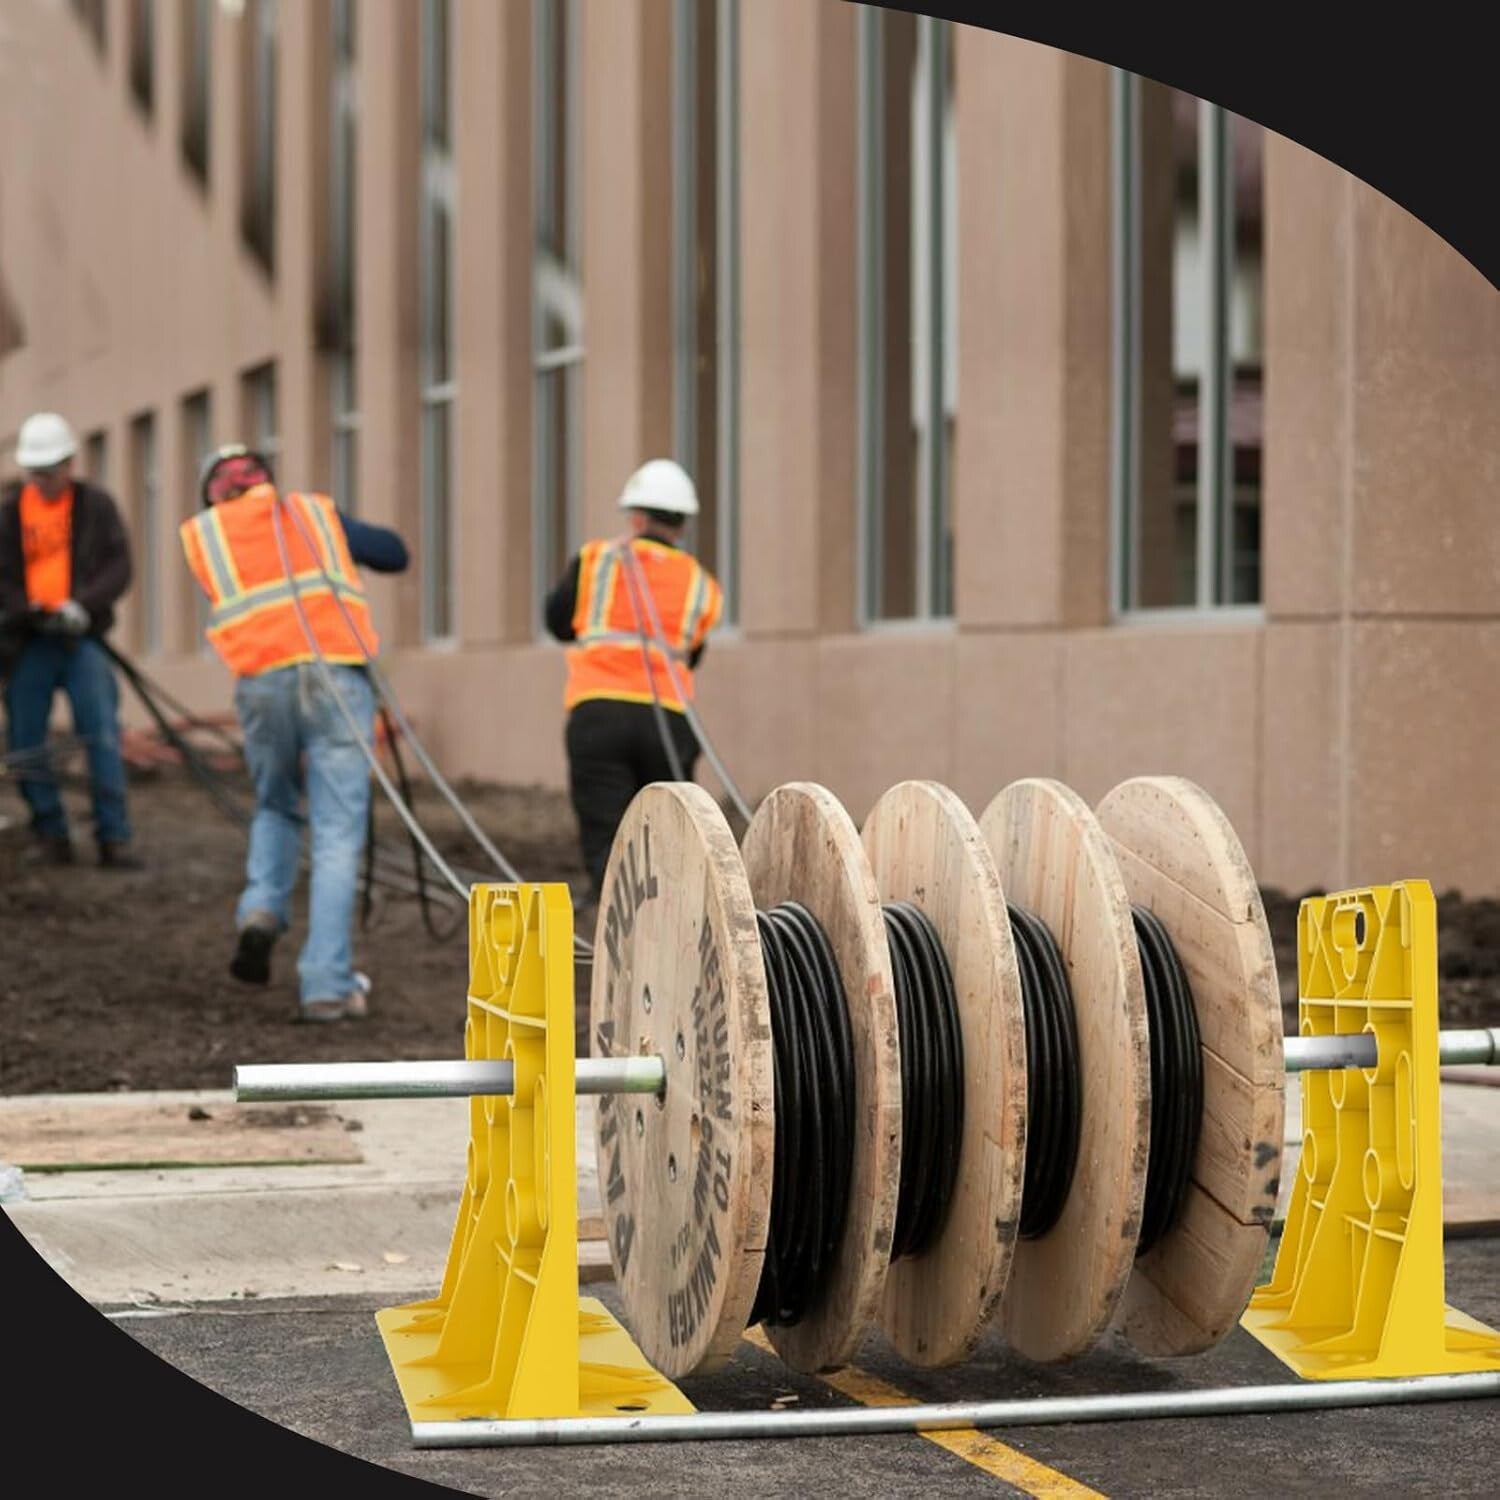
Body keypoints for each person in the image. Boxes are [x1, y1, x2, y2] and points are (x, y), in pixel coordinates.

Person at [179, 444, 409, 1024]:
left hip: (261, 685)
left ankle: (260, 908)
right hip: (334, 678)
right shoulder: (311, 514)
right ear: (267, 480)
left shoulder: (205, 537)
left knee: (276, 806)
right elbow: (393, 552)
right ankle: (327, 985)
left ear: (211, 490)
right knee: (335, 834)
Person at [544, 458, 724, 908]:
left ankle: (612, 912)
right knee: (670, 823)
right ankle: (672, 913)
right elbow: (694, 653)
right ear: (681, 524)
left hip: (598, 711)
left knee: (605, 823)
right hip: (666, 717)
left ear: (638, 516)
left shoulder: (596, 560)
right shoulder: (702, 584)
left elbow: (558, 622)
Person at [0, 412, 142, 868]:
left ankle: (113, 837)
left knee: (100, 732)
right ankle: (50, 831)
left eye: (51, 471)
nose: (44, 482)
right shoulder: (8, 513)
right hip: (30, 642)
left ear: (69, 464)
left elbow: (119, 566)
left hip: (82, 639)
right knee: (26, 737)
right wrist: (30, 610)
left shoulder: (95, 506)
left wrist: (83, 604)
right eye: (36, 474)